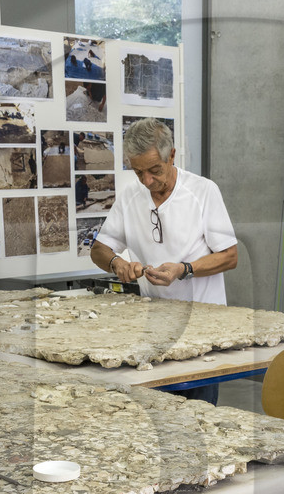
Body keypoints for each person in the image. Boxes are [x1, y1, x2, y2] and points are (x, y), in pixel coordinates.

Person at [89, 118, 238, 404]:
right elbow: (99, 249)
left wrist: (185, 269)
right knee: (155, 417)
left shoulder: (203, 192)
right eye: (138, 172)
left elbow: (230, 256)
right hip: (154, 328)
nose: (147, 181)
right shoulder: (130, 196)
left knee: (198, 418)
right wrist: (117, 263)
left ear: (172, 155)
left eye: (155, 171)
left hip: (201, 330)